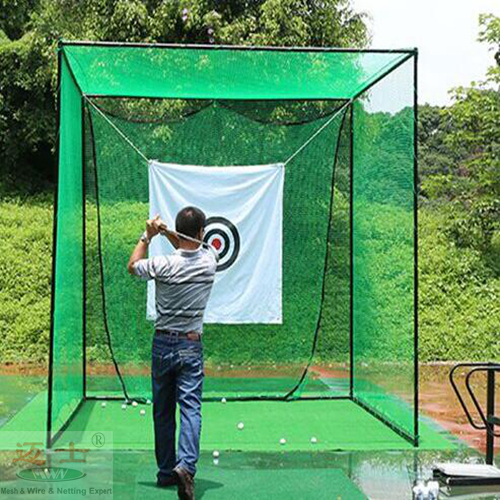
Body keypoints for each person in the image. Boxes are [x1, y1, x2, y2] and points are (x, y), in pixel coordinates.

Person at [127, 206, 218, 500]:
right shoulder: (210, 261)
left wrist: (149, 234)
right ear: (202, 233)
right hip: (191, 346)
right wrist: (167, 232)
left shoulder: (162, 264)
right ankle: (186, 468)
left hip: (162, 344)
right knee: (190, 407)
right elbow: (188, 246)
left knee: (163, 410)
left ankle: (167, 471)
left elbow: (133, 266)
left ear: (178, 231)